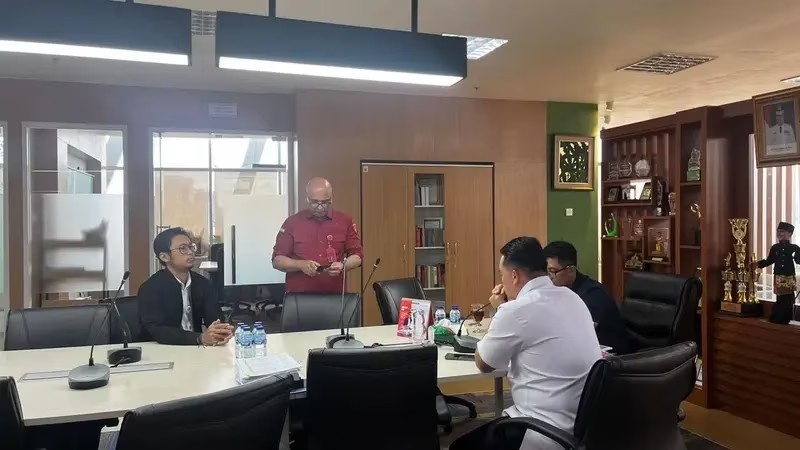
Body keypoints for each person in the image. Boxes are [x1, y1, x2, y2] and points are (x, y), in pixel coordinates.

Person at [453, 237, 601, 450]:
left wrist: (500, 310)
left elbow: (484, 363)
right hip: (582, 429)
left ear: (514, 276)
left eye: (501, 275)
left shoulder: (515, 310)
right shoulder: (573, 298)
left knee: (461, 446)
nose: (501, 282)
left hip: (540, 431)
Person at [138, 227, 233, 345]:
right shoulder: (150, 288)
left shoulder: (202, 283)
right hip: (164, 348)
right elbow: (157, 330)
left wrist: (221, 332)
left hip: (196, 348)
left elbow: (215, 318)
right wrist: (199, 338)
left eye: (191, 247)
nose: (190, 252)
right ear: (164, 257)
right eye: (183, 248)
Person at [272, 177, 363, 293]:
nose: (320, 207)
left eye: (325, 202)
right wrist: (300, 265)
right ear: (307, 198)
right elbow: (277, 260)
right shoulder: (292, 223)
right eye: (314, 202)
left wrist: (343, 266)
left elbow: (357, 256)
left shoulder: (345, 221)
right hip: (299, 296)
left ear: (331, 198)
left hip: (334, 295)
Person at [543, 241, 632, 354]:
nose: (549, 277)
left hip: (612, 356)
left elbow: (577, 334)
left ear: (571, 270)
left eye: (552, 271)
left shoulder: (593, 295)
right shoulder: (559, 290)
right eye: (545, 272)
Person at [754, 222, 800, 324]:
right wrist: (758, 264)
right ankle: (777, 317)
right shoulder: (775, 247)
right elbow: (770, 260)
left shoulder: (794, 248)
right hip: (778, 276)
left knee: (787, 298)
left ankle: (785, 318)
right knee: (779, 297)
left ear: (789, 234)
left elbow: (798, 261)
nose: (779, 233)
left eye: (782, 231)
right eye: (778, 231)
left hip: (789, 277)